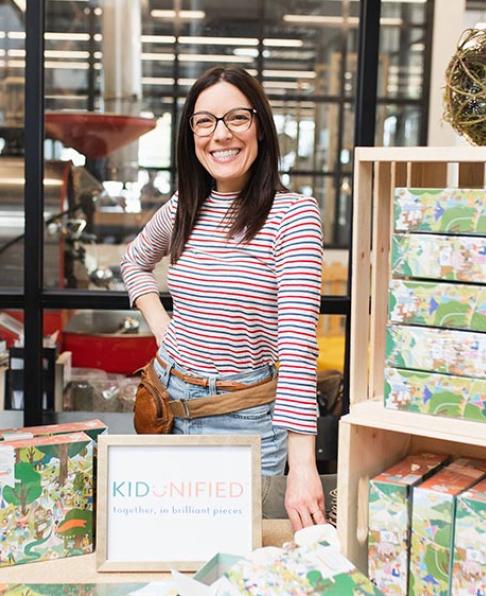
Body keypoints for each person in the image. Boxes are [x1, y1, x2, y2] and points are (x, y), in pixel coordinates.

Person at [120, 66, 325, 530]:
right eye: (204, 121)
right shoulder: (183, 207)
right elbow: (133, 263)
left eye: (236, 118)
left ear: (261, 127)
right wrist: (163, 328)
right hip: (165, 405)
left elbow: (297, 344)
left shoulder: (293, 215)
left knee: (233, 567)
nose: (220, 135)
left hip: (246, 419)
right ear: (191, 133)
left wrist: (303, 465)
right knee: (165, 551)